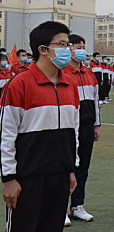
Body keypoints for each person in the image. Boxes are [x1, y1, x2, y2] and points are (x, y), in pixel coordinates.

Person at [0, 21, 79, 231]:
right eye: (61, 45)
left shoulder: (70, 84)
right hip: (27, 180)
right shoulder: (19, 84)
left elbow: (74, 131)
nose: (67, 50)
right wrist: (9, 178)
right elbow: (5, 135)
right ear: (43, 50)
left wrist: (71, 168)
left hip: (60, 177)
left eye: (68, 45)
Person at [63, 34, 102, 225]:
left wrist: (96, 125)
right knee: (66, 167)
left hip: (86, 127)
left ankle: (77, 205)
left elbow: (95, 101)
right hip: (69, 128)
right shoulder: (63, 73)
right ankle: (61, 207)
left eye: (83, 46)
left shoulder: (89, 74)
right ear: (68, 49)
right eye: (78, 47)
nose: (82, 51)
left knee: (83, 168)